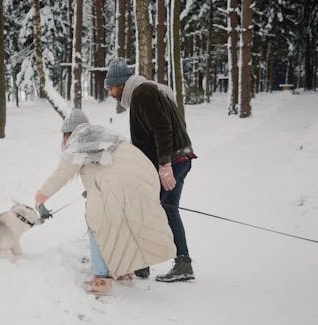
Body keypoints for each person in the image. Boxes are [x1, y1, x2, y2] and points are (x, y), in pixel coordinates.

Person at [34, 109, 176, 295]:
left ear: (68, 133)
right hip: (139, 183)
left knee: (95, 226)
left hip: (115, 191)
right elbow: (109, 166)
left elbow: (61, 174)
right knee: (123, 225)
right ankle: (125, 271)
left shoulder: (78, 141)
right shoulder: (107, 136)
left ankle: (102, 278)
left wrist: (40, 199)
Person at [105, 58, 197, 282]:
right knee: (167, 209)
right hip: (180, 158)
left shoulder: (142, 94)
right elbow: (149, 134)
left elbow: (162, 128)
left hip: (172, 162)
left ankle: (143, 264)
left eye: (111, 88)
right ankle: (181, 263)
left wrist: (164, 164)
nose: (110, 93)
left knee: (145, 210)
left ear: (121, 84)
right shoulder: (146, 92)